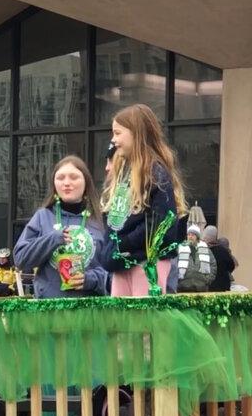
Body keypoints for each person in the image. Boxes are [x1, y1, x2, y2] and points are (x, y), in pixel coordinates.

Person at [101, 104, 187, 296]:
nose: (113, 140)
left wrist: (124, 243)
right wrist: (109, 249)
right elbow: (113, 219)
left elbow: (161, 222)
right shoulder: (122, 175)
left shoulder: (156, 174)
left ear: (136, 133)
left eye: (117, 133)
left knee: (145, 318)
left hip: (147, 262)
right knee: (122, 320)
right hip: (121, 263)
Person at [14, 155, 108, 298]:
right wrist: (53, 239)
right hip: (50, 311)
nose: (66, 183)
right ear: (54, 184)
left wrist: (91, 279)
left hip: (92, 311)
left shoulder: (101, 220)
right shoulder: (43, 216)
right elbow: (20, 258)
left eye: (74, 177)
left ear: (86, 182)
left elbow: (117, 272)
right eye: (60, 178)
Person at [176, 225, 216, 293]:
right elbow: (174, 264)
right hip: (183, 287)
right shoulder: (180, 249)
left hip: (201, 287)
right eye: (189, 235)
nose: (190, 237)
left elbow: (213, 265)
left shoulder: (206, 249)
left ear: (197, 237)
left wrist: (207, 280)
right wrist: (178, 280)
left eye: (193, 235)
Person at [202, 225, 235, 292]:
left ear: (205, 236)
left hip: (208, 288)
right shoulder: (223, 251)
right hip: (223, 287)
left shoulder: (202, 251)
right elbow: (231, 266)